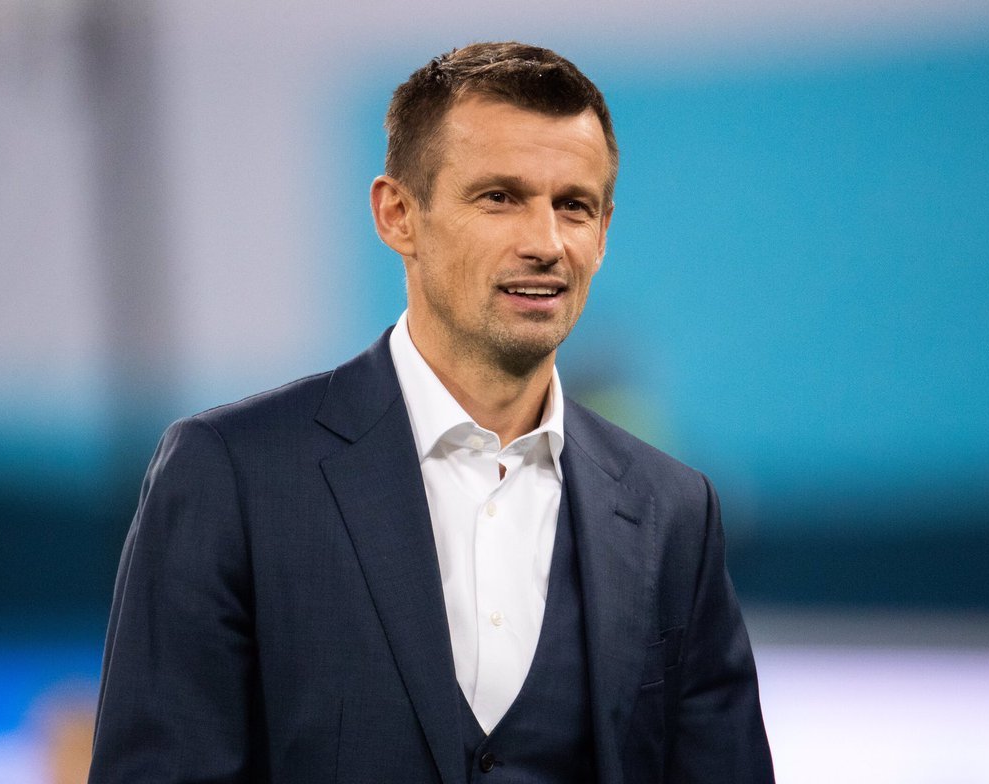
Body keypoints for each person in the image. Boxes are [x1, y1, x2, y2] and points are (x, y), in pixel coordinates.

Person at [88, 42, 773, 783]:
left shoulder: (673, 511)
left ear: (603, 233)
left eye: (573, 206)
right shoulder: (231, 474)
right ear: (398, 215)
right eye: (499, 197)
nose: (545, 244)